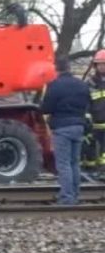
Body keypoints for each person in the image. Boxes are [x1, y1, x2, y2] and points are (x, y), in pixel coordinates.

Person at [41, 55, 91, 205]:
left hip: (62, 128)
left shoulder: (54, 85)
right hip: (79, 126)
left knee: (63, 164)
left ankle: (67, 198)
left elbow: (46, 108)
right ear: (69, 67)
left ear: (56, 69)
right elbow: (87, 104)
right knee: (75, 163)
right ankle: (75, 194)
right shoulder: (82, 85)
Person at [83, 50, 105, 170]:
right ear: (95, 65)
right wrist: (86, 117)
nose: (102, 66)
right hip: (94, 122)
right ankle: (89, 169)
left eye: (104, 64)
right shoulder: (90, 83)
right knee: (89, 146)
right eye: (99, 64)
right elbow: (85, 101)